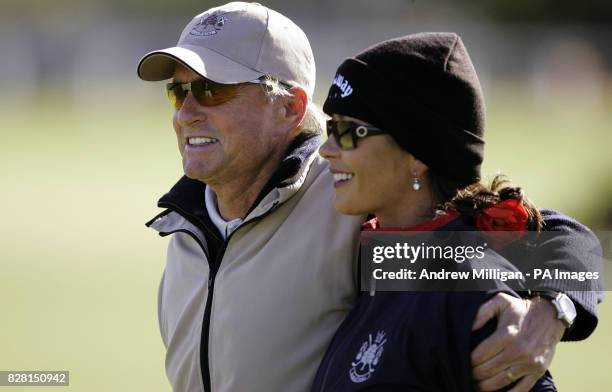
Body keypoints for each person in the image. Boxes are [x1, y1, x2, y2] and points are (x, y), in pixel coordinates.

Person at [136, 3, 603, 391]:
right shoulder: (185, 223)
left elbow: (549, 238)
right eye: (179, 93)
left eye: (212, 90)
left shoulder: (354, 198)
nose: (187, 113)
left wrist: (550, 310)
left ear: (289, 108)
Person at [312, 32, 601, 391]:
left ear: (417, 156)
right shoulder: (381, 257)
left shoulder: (475, 294)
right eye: (329, 128)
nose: (327, 150)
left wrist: (553, 309)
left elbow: (571, 241)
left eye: (347, 131)